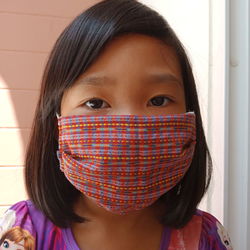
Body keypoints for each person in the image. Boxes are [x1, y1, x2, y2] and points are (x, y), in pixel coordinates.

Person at [0, 0, 233, 249]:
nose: (130, 135)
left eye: (158, 100)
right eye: (95, 103)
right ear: (55, 120)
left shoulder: (206, 237)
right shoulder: (23, 233)